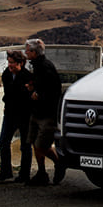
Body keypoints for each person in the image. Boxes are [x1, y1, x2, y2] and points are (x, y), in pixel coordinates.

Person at [24, 38, 66, 186]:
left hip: (46, 114)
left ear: (34, 53)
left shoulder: (45, 67)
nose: (25, 53)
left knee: (41, 144)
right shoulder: (37, 66)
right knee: (35, 143)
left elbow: (53, 90)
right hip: (37, 112)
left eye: (28, 50)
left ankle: (59, 163)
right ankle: (42, 173)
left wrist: (39, 94)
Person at [0, 50, 33, 183]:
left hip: (24, 114)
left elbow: (28, 97)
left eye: (12, 63)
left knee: (25, 145)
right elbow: (8, 93)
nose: (9, 66)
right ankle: (5, 172)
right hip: (10, 113)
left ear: (20, 63)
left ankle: (24, 174)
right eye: (9, 63)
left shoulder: (27, 76)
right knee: (4, 141)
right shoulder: (7, 74)